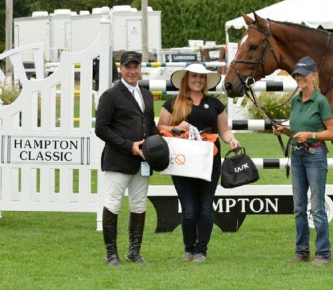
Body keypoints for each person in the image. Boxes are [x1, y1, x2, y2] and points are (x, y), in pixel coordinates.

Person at [157, 63, 240, 263]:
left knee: (205, 206)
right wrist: (176, 127)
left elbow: (224, 130)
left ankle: (201, 250)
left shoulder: (215, 104)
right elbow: (160, 127)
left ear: (205, 81)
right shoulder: (173, 103)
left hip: (209, 161)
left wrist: (231, 140)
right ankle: (189, 249)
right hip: (182, 161)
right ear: (187, 79)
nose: (198, 80)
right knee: (188, 208)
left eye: (201, 77)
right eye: (194, 76)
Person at [273, 56, 333, 265]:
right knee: (299, 206)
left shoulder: (321, 101)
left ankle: (323, 253)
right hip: (297, 154)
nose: (299, 78)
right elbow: (298, 130)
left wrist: (310, 135)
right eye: (297, 75)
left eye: (303, 74)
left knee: (317, 206)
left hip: (315, 155)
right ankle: (301, 251)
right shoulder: (295, 100)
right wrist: (285, 130)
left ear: (314, 76)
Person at [95, 51, 157, 266]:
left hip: (143, 161)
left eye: (136, 67)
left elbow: (150, 127)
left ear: (140, 68)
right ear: (121, 69)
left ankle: (134, 252)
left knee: (139, 204)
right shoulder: (110, 95)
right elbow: (101, 128)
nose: (132, 71)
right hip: (118, 160)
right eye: (128, 67)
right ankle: (111, 254)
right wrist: (128, 146)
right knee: (113, 203)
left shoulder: (147, 95)